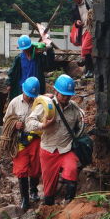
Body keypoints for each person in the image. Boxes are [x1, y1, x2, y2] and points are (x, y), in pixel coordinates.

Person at [26, 74, 85, 205]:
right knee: (48, 187)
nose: (66, 97)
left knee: (72, 169)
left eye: (68, 95)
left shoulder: (74, 107)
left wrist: (81, 122)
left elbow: (80, 126)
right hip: (48, 150)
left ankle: (69, 202)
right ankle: (49, 206)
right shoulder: (47, 106)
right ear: (56, 91)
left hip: (66, 149)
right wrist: (43, 125)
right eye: (63, 94)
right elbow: (29, 122)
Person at [4, 77, 43, 209]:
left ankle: (33, 191)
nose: (29, 98)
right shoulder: (14, 103)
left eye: (32, 96)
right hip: (20, 140)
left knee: (36, 166)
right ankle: (24, 199)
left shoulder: (39, 103)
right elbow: (6, 120)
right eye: (27, 95)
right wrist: (15, 124)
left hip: (35, 138)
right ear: (23, 90)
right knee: (21, 169)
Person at [6, 29, 54, 101]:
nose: (25, 50)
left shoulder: (38, 57)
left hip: (36, 88)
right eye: (24, 49)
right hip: (23, 88)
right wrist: (9, 83)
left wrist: (50, 49)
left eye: (27, 48)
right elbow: (12, 71)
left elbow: (48, 63)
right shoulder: (19, 58)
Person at [68, 0, 94, 78]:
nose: (73, 0)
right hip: (82, 30)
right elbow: (74, 19)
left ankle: (90, 71)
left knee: (85, 48)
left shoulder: (88, 1)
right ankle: (90, 70)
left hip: (90, 29)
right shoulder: (74, 8)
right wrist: (76, 22)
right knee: (86, 52)